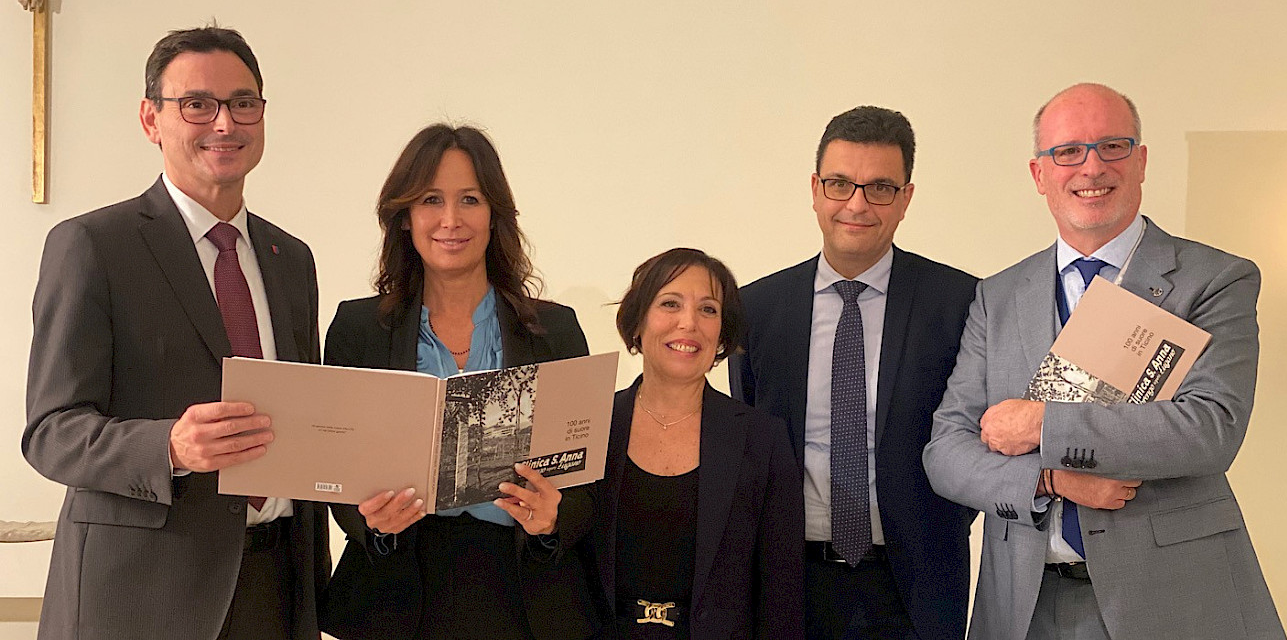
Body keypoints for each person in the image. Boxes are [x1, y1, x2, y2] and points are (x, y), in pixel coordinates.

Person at [922, 83, 1286, 640]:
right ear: (1039, 174)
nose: (1091, 167)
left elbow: (1211, 429)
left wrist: (1043, 424)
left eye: (1112, 146)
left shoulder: (1215, 280)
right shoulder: (997, 296)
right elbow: (946, 452)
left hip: (1175, 601)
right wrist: (1051, 479)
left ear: (1141, 161)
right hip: (1025, 606)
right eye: (1068, 151)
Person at [22, 26, 329, 640]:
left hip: (275, 587)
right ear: (151, 119)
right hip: (140, 599)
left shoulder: (290, 258)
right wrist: (169, 447)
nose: (225, 123)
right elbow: (51, 432)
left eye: (243, 103)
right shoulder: (93, 246)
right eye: (197, 104)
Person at [319, 124, 598, 640]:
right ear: (405, 216)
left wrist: (553, 519)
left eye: (470, 199)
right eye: (431, 200)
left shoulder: (555, 329)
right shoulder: (359, 329)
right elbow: (334, 467)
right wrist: (371, 523)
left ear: (494, 214)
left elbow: (582, 476)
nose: (451, 220)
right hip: (395, 596)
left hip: (524, 594)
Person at [730, 106, 978, 640]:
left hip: (916, 586)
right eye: (840, 184)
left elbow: (972, 439)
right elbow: (751, 433)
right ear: (815, 190)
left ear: (906, 198)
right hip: (789, 582)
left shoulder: (960, 303)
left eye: (880, 188)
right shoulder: (757, 309)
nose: (857, 204)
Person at [586, 248, 802, 639]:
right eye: (670, 304)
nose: (689, 323)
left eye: (708, 309)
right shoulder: (592, 425)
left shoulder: (762, 439)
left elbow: (781, 595)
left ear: (722, 334)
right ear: (637, 322)